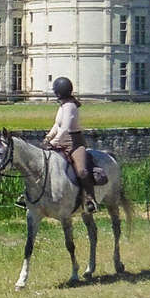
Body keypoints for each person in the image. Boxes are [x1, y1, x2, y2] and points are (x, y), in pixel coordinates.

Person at [41, 76, 94, 212]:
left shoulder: (70, 106)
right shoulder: (63, 105)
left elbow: (65, 128)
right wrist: (48, 137)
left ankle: (89, 199)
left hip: (74, 142)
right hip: (61, 141)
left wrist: (53, 142)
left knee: (81, 171)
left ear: (58, 92)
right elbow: (57, 125)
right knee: (43, 164)